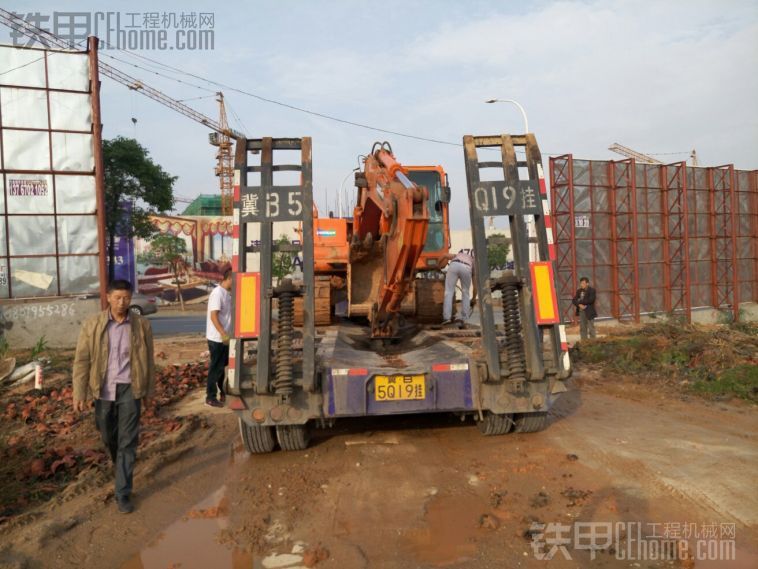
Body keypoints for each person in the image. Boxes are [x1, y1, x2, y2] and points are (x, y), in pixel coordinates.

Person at [72, 280, 154, 514]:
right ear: (108, 297)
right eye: (117, 298)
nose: (122, 303)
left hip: (131, 387)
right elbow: (82, 360)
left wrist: (149, 392)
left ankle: (123, 493)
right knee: (108, 436)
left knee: (128, 441)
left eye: (126, 298)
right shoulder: (93, 324)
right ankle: (121, 466)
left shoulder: (142, 325)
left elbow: (149, 360)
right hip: (103, 389)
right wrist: (80, 392)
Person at [205, 269, 233, 407]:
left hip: (224, 338)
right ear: (230, 278)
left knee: (222, 367)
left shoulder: (227, 294)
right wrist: (223, 334)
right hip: (217, 339)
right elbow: (213, 316)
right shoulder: (217, 293)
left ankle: (223, 392)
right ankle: (210, 397)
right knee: (216, 368)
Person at [443, 250, 475, 324]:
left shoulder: (457, 255)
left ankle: (446, 318)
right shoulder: (474, 260)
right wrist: (474, 298)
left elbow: (444, 255)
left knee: (448, 292)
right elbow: (475, 284)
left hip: (454, 265)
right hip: (467, 267)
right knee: (465, 292)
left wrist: (438, 266)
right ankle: (465, 318)